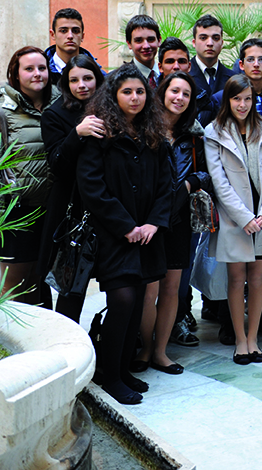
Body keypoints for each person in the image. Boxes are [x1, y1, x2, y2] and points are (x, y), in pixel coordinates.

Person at [77, 63, 171, 405]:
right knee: (122, 300)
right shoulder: (101, 135)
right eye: (127, 91)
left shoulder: (154, 135)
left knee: (138, 303)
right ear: (114, 96)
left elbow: (166, 185)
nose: (134, 98)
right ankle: (109, 375)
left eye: (140, 91)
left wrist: (151, 224)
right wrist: (126, 226)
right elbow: (92, 187)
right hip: (114, 235)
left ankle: (122, 368)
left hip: (147, 235)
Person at [205, 75, 262, 364]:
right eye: (236, 98)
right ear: (227, 100)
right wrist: (244, 218)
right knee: (236, 278)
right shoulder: (214, 132)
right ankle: (240, 340)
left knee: (258, 278)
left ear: (255, 101)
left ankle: (254, 338)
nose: (242, 104)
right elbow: (218, 182)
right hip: (234, 219)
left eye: (248, 99)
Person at [132, 71, 210, 376]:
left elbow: (205, 172)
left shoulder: (194, 134)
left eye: (186, 94)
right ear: (163, 93)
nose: (179, 98)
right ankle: (144, 348)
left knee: (172, 289)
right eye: (174, 91)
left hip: (179, 220)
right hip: (150, 219)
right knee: (149, 290)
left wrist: (191, 183)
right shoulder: (145, 128)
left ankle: (160, 352)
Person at [0, 46, 54, 306]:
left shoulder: (59, 108)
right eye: (29, 69)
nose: (37, 74)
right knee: (16, 285)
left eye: (41, 68)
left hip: (51, 211)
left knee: (40, 282)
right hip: (15, 212)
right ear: (15, 74)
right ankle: (14, 344)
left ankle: (44, 342)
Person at [39, 54, 105, 322]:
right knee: (72, 286)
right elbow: (57, 165)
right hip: (73, 207)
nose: (82, 85)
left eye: (88, 78)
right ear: (65, 83)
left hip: (109, 205)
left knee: (117, 281)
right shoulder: (54, 114)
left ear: (97, 80)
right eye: (74, 80)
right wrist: (77, 133)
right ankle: (66, 343)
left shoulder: (111, 109)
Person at [189, 14, 234, 126]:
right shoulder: (184, 76)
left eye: (215, 38)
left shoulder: (233, 78)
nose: (210, 43)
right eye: (203, 38)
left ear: (222, 43)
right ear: (194, 43)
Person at [46, 8, 102, 85]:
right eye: (63, 31)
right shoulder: (42, 73)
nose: (70, 36)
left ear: (82, 36)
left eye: (75, 31)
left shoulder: (97, 74)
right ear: (53, 34)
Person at [125, 14, 161, 87]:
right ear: (129, 44)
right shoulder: (118, 80)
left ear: (159, 41)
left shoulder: (169, 76)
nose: (146, 46)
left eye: (151, 39)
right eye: (139, 40)